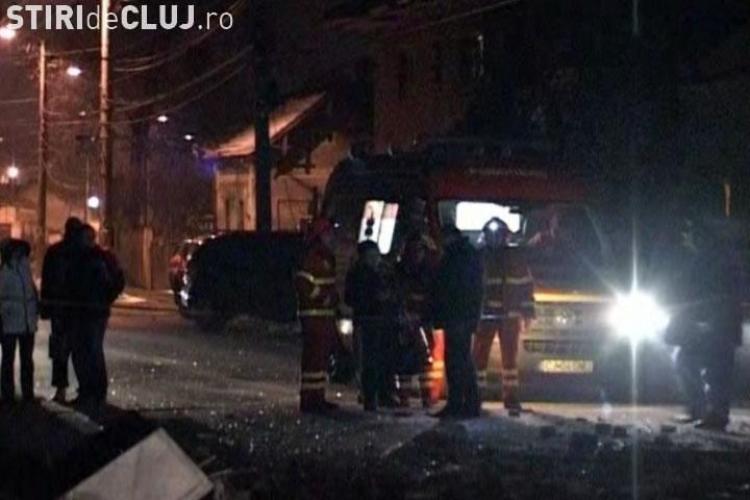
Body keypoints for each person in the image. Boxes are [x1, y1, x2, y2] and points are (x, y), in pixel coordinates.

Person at [665, 217, 743, 431]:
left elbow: (712, 291)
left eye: (689, 233)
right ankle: (700, 409)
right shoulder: (708, 257)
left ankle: (716, 414)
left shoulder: (715, 258)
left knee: (714, 369)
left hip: (717, 324)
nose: (685, 238)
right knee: (685, 360)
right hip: (706, 323)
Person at [472, 218, 535, 414]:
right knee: (479, 357)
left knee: (510, 360)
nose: (496, 239)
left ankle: (511, 397)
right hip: (487, 315)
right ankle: (475, 395)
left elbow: (526, 286)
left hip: (508, 316)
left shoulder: (515, 258)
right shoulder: (479, 257)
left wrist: (528, 312)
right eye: (492, 235)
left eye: (499, 235)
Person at [66, 225, 124, 410]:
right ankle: (88, 391)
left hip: (93, 312)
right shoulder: (84, 257)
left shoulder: (97, 258)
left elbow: (117, 280)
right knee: (82, 352)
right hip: (84, 311)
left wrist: (106, 298)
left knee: (91, 351)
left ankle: (95, 393)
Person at [430, 225, 484, 419]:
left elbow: (451, 289)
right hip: (460, 317)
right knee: (461, 361)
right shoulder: (465, 255)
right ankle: (467, 404)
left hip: (457, 317)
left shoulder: (457, 257)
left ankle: (459, 404)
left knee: (457, 362)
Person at [345, 241, 400, 412]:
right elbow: (351, 298)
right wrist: (375, 298)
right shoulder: (359, 274)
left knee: (384, 359)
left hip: (381, 321)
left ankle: (383, 394)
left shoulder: (380, 272)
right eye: (372, 255)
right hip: (368, 321)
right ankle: (371, 398)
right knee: (370, 361)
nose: (376, 258)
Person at [295, 217, 340, 414]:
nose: (332, 237)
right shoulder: (314, 256)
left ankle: (317, 397)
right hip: (314, 318)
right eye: (329, 233)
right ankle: (310, 400)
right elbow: (303, 283)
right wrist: (324, 297)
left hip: (323, 318)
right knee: (314, 361)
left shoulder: (323, 256)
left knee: (320, 361)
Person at [41, 216, 83, 403]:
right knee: (79, 351)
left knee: (60, 352)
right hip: (77, 309)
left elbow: (47, 281)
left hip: (61, 308)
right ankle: (83, 389)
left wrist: (46, 307)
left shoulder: (55, 252)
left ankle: (61, 389)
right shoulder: (83, 253)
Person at [394, 233, 436, 408]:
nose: (416, 254)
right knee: (404, 359)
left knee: (424, 360)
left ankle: (426, 397)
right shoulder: (401, 271)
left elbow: (431, 296)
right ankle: (404, 397)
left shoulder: (427, 272)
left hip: (422, 321)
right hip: (405, 322)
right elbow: (398, 295)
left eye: (419, 251)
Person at [0, 239, 39, 404]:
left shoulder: (24, 267)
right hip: (10, 320)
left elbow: (31, 290)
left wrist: (35, 309)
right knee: (8, 359)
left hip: (26, 321)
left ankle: (27, 392)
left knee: (27, 359)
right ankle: (8, 393)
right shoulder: (4, 270)